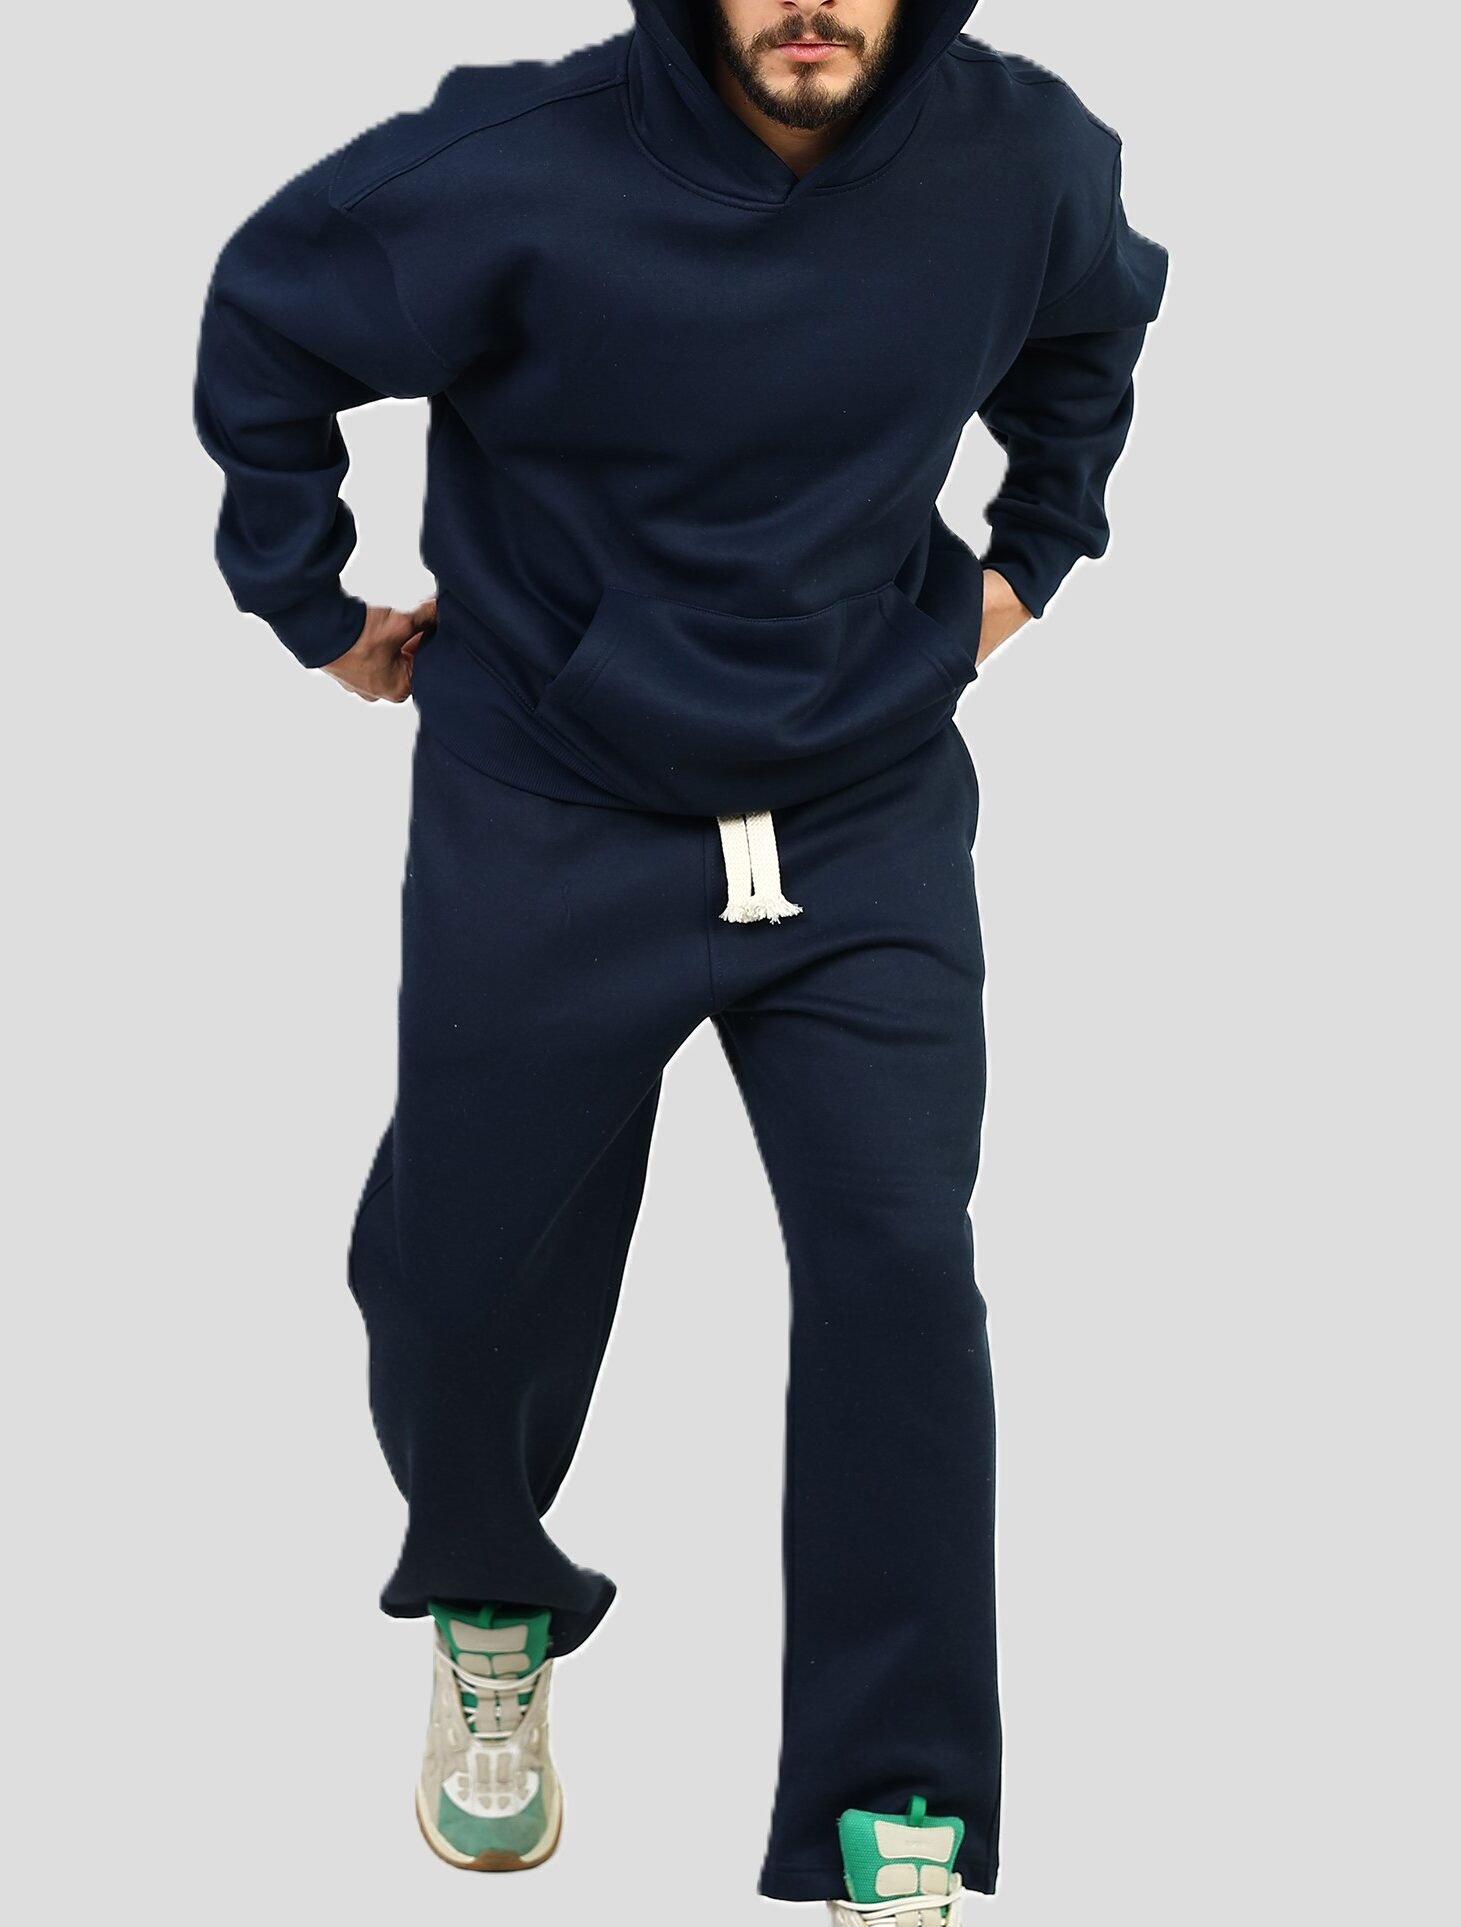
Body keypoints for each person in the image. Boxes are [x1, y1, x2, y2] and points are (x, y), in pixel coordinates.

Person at [191, 3, 1167, 1918]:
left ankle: (895, 1811)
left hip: (861, 801)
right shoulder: (516, 168)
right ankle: (490, 1589)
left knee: (899, 1267)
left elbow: (1094, 328)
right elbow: (270, 316)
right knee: (465, 1267)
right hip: (553, 801)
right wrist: (309, 606)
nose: (812, 0)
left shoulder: (1024, 156)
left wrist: (1033, 555)